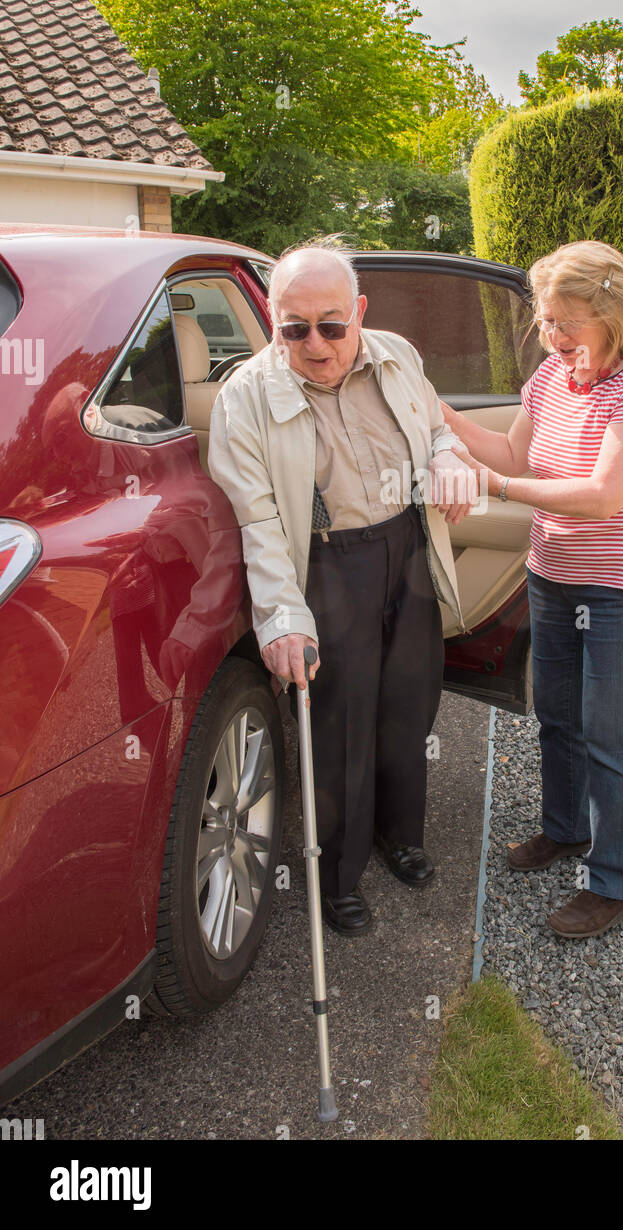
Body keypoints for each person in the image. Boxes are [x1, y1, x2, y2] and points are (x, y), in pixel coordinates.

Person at [208, 238, 475, 935]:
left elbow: (435, 427)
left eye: (332, 324)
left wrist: (449, 460)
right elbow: (258, 519)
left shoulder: (396, 354)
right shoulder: (247, 396)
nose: (316, 344)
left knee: (407, 707)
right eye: (294, 329)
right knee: (339, 728)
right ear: (274, 323)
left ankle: (399, 835)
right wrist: (280, 617)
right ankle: (337, 874)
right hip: (328, 565)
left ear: (359, 311)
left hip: (406, 546)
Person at [442, 240, 623, 939]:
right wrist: (444, 420)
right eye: (544, 321)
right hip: (551, 576)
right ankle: (565, 830)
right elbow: (515, 453)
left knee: (610, 736)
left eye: (563, 322)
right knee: (555, 717)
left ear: (610, 315)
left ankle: (615, 884)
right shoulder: (552, 375)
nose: (549, 336)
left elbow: (601, 496)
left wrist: (495, 487)